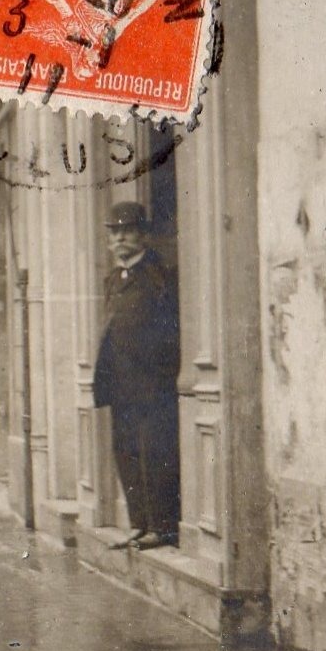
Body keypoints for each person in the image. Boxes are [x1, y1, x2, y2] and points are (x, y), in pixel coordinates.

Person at [94, 201, 181, 551]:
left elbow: (170, 330)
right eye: (114, 233)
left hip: (151, 384)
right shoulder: (113, 279)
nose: (120, 239)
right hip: (121, 384)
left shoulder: (158, 274)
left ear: (144, 235)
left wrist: (161, 374)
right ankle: (139, 523)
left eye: (128, 231)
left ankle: (161, 527)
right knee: (126, 454)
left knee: (154, 453)